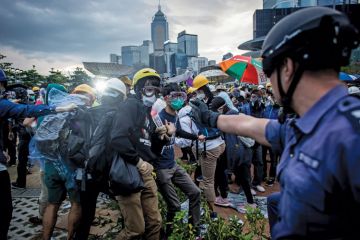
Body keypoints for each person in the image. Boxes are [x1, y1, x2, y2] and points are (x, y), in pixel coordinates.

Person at [190, 7, 360, 239]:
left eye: (270, 71)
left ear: (287, 68)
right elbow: (251, 126)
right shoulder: (310, 125)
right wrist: (213, 118)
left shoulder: (350, 137)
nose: (269, 81)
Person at [0, 69, 76, 239]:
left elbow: (27, 121)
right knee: (75, 204)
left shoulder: (39, 114)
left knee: (51, 202)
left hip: (47, 165)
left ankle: (44, 234)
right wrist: (59, 108)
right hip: (68, 167)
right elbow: (24, 111)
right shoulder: (70, 112)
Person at [111, 68, 163, 240]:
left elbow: (149, 146)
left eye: (156, 88)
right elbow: (117, 138)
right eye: (149, 88)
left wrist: (160, 137)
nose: (154, 92)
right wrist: (138, 162)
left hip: (147, 172)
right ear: (139, 88)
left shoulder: (149, 111)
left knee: (155, 223)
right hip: (130, 170)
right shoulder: (130, 105)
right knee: (135, 230)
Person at [74, 79, 126, 240]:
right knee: (126, 211)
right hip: (111, 173)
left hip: (85, 172)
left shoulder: (87, 113)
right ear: (121, 97)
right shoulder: (120, 115)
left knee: (86, 214)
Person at [42, 84, 95, 240]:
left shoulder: (56, 111)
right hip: (73, 168)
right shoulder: (84, 115)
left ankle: (45, 238)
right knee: (76, 204)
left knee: (52, 204)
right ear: (90, 98)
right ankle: (70, 238)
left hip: (51, 165)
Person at [153, 83, 201, 236]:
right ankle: (169, 235)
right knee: (174, 206)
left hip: (173, 165)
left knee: (195, 192)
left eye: (182, 96)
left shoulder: (174, 115)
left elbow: (178, 131)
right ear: (166, 98)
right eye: (175, 96)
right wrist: (166, 135)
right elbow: (155, 146)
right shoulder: (159, 119)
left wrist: (195, 137)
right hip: (161, 169)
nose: (179, 100)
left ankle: (193, 230)